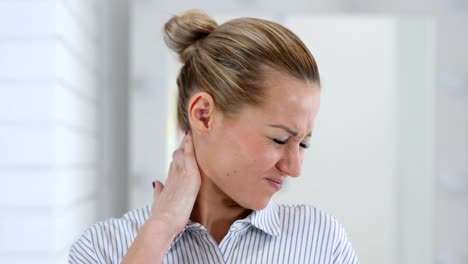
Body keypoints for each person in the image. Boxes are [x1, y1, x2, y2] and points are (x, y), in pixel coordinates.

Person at [69, 9, 359, 264]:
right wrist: (160, 228)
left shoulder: (322, 243)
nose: (294, 169)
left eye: (304, 143)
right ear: (204, 114)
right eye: (280, 140)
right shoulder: (102, 249)